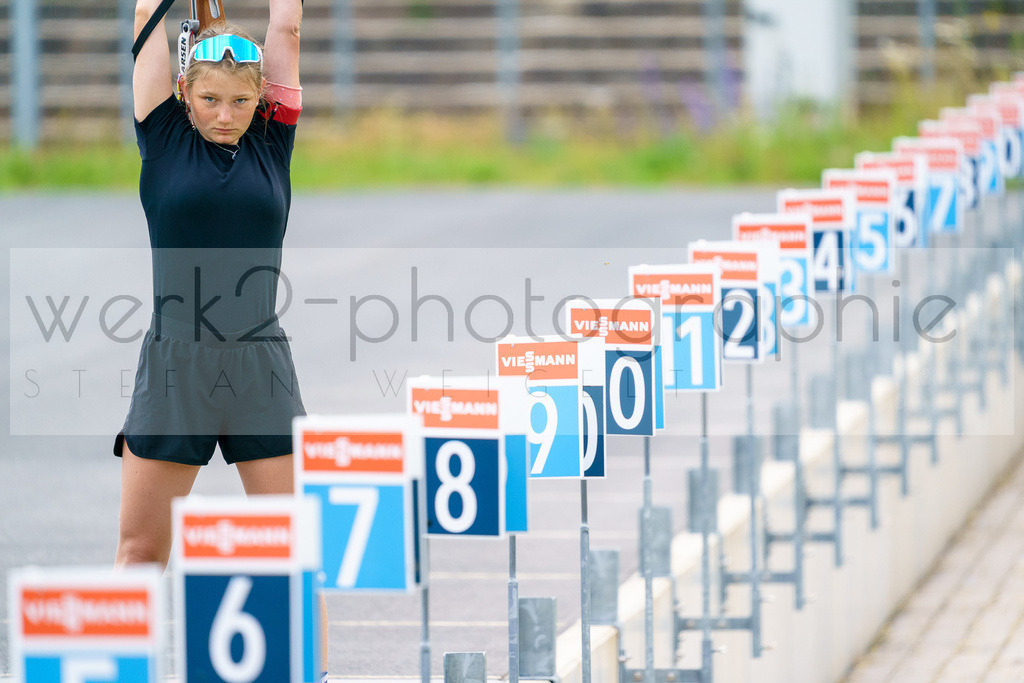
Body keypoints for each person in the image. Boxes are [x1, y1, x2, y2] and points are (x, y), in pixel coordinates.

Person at [120, 0, 325, 677]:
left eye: (240, 100)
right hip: (174, 365)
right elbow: (148, 20)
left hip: (260, 369)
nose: (224, 113)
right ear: (185, 92)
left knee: (289, 551)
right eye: (209, 98)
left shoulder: (274, 141)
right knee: (140, 551)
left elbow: (286, 27)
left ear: (260, 97)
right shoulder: (161, 135)